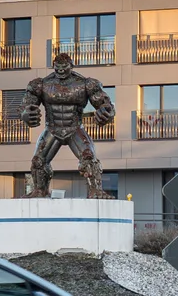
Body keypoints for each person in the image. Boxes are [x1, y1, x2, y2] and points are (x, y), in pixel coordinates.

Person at [22, 53, 115, 199]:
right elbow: (26, 106)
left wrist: (106, 113)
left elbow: (106, 105)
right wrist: (26, 114)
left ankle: (95, 190)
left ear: (71, 66)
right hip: (52, 128)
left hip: (75, 128)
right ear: (53, 66)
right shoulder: (42, 84)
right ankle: (40, 190)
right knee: (38, 160)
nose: (60, 71)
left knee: (89, 157)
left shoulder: (85, 84)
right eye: (57, 67)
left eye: (64, 67)